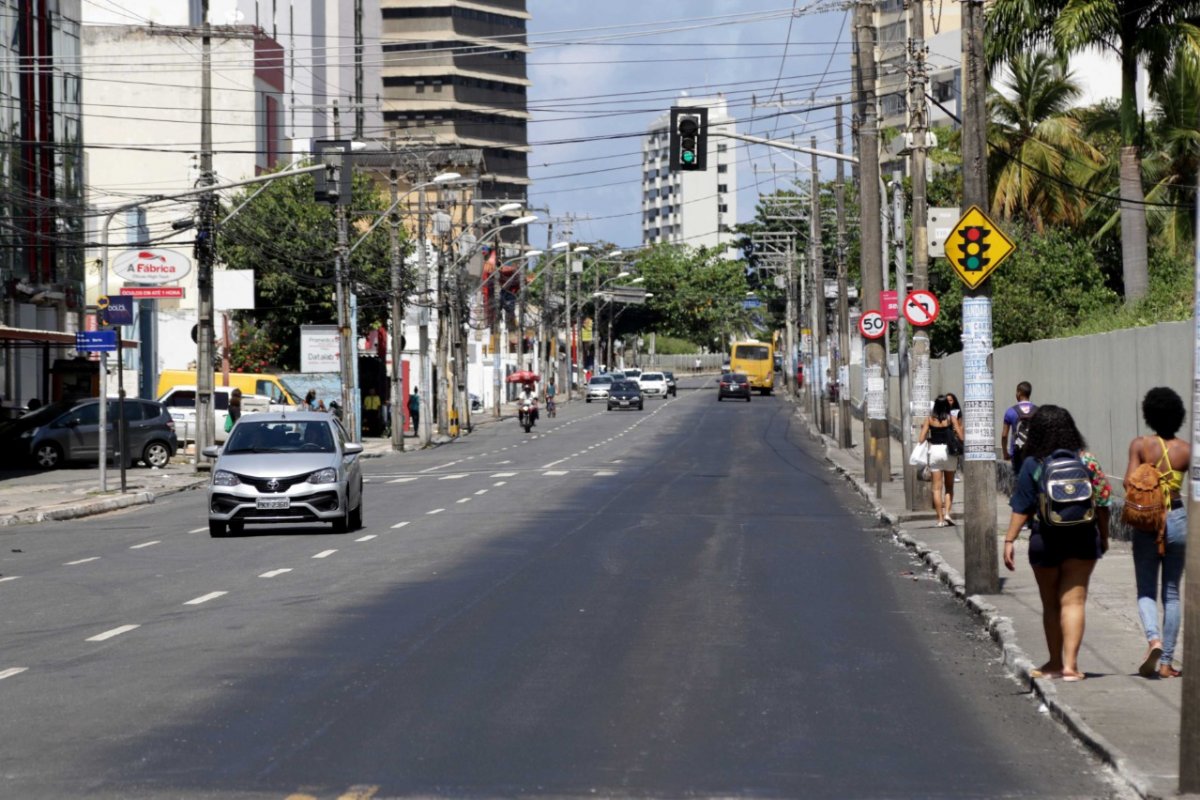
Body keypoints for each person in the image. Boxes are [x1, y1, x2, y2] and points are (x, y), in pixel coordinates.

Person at [1002, 405, 1112, 682]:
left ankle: (1053, 662)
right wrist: (1104, 535)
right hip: (1084, 539)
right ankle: (1071, 667)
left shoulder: (1033, 463)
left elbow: (1022, 507)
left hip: (1046, 538)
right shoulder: (1087, 461)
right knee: (1074, 602)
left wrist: (1009, 539)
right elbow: (1103, 502)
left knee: (1051, 604)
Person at [1123, 387, 1188, 679]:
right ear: (1178, 415)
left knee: (1146, 590)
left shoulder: (1140, 445)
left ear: (1148, 413)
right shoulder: (1187, 450)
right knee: (1172, 593)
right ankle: (1167, 663)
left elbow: (1127, 483)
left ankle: (1154, 641)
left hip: (1147, 522)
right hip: (1177, 518)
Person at [917, 395, 964, 527]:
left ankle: (940, 519)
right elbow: (961, 437)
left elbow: (921, 439)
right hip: (949, 452)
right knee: (949, 486)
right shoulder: (951, 419)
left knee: (936, 488)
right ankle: (948, 513)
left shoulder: (930, 419)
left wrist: (925, 431)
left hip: (935, 452)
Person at [1002, 381, 1037, 475]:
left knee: (1018, 479)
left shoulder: (1010, 411)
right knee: (1034, 479)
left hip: (1017, 453)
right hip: (1033, 453)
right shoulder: (1037, 411)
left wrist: (1005, 453)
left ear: (1019, 393)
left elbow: (1004, 435)